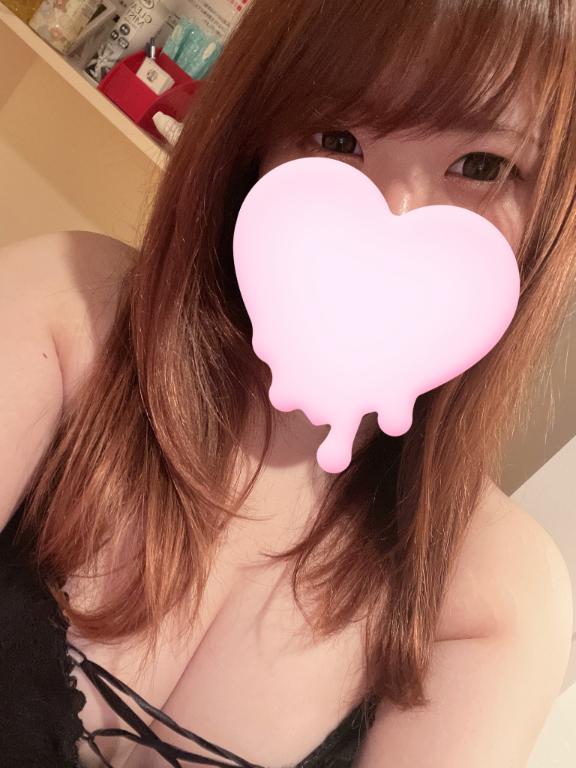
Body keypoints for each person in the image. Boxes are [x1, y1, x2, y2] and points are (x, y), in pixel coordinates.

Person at [1, 0, 575, 766]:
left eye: (481, 166)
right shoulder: (66, 313)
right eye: (337, 139)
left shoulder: (496, 596)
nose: (391, 220)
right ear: (256, 141)